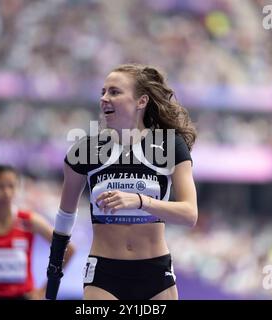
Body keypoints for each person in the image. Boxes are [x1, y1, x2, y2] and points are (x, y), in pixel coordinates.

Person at [46, 64, 198, 300]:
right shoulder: (85, 150)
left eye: (114, 92)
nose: (105, 98)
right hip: (104, 275)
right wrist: (54, 272)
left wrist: (139, 201)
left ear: (141, 101)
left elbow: (189, 214)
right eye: (103, 92)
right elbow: (66, 215)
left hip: (155, 274)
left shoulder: (170, 145)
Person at [0, 165, 75, 300]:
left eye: (11, 187)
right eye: (0, 187)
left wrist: (43, 290)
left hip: (23, 297)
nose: (7, 193)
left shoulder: (29, 221)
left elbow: (68, 249)